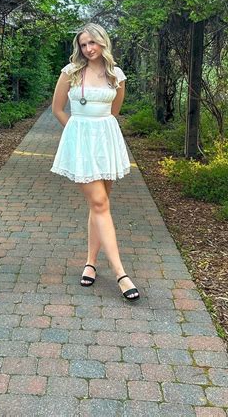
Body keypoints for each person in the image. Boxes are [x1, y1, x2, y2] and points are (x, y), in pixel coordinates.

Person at [50, 23, 140, 301]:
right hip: (82, 144)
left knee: (99, 206)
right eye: (83, 44)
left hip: (106, 142)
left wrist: (98, 132)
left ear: (103, 42)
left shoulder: (116, 75)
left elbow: (114, 112)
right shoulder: (71, 72)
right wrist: (76, 136)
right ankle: (121, 273)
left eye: (92, 42)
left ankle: (90, 263)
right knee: (100, 203)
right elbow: (57, 109)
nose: (88, 48)